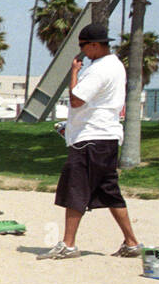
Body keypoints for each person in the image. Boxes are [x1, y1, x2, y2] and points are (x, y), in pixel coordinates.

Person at [39, 22, 141, 260]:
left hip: (91, 140)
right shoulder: (115, 65)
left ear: (95, 45)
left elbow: (76, 100)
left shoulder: (99, 69)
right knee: (109, 190)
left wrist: (74, 72)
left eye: (84, 46)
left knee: (76, 189)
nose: (82, 51)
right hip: (105, 138)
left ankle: (69, 244)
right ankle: (132, 242)